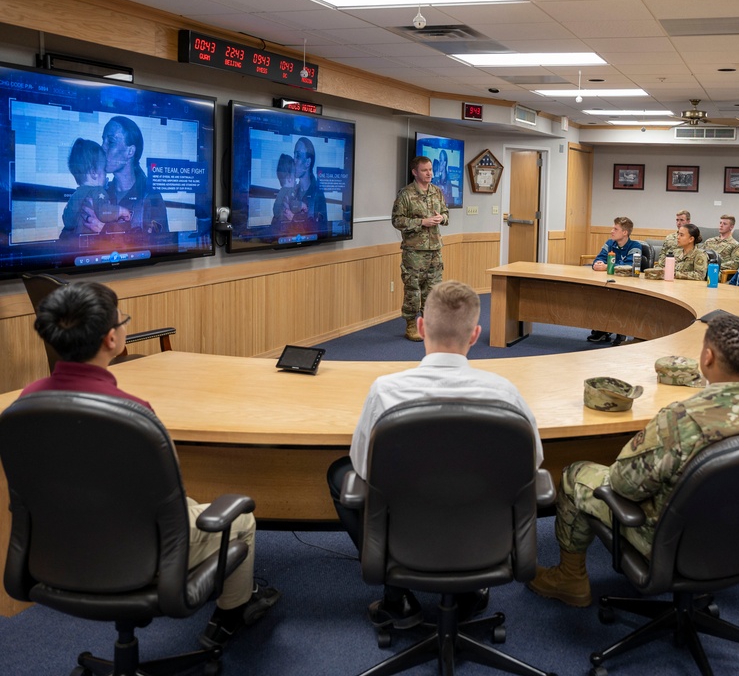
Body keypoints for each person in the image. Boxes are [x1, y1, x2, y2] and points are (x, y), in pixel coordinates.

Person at [20, 282, 280, 649]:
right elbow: (167, 488)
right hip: (139, 554)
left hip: (57, 550)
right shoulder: (133, 413)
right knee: (240, 517)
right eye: (123, 321)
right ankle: (233, 611)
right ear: (112, 339)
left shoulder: (24, 404)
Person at [527, 314, 739, 608]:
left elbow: (624, 484)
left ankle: (570, 579)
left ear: (707, 357)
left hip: (670, 541)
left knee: (574, 474)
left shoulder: (680, 420)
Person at [327, 280, 544, 625]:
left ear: (421, 326)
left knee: (341, 474)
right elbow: (532, 466)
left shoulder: (385, 393)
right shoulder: (506, 395)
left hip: (408, 522)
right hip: (481, 531)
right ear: (475, 335)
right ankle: (472, 588)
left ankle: (397, 596)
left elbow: (362, 467)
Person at [392, 156, 449, 342]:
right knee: (413, 290)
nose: (430, 173)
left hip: (435, 250)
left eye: (431, 170)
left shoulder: (437, 192)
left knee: (433, 290)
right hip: (414, 252)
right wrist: (421, 222)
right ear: (415, 172)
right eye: (425, 170)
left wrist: (442, 218)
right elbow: (397, 220)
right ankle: (411, 325)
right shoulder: (406, 195)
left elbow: (446, 213)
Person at [82, 116, 168, 235]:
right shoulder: (100, 193)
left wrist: (106, 230)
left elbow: (159, 246)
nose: (102, 148)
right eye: (103, 141)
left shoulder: (151, 197)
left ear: (130, 151)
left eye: (110, 142)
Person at [588, 217, 643, 345]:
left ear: (625, 232)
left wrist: (607, 266)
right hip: (608, 282)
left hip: (628, 285)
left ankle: (621, 331)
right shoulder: (609, 243)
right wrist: (597, 265)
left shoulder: (635, 246)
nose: (611, 231)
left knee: (620, 300)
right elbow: (598, 259)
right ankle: (602, 329)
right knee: (598, 296)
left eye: (615, 229)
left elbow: (630, 267)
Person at [61, 137, 131, 237]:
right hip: (93, 245)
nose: (106, 174)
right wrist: (120, 211)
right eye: (104, 170)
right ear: (94, 173)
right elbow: (103, 212)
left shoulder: (76, 194)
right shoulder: (98, 191)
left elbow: (67, 221)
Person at [290, 136, 328, 234]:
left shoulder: (317, 195)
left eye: (297, 156)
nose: (293, 160)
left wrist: (293, 218)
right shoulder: (293, 191)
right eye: (294, 155)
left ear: (307, 162)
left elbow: (320, 233)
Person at [270, 152, 305, 229]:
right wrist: (302, 205)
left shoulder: (281, 192)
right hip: (286, 227)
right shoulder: (289, 191)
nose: (295, 179)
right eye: (294, 175)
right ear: (289, 178)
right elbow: (293, 204)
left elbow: (275, 209)